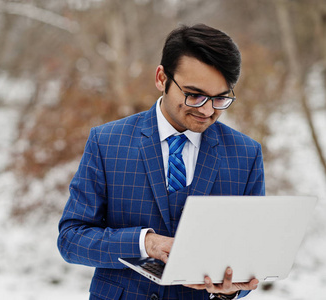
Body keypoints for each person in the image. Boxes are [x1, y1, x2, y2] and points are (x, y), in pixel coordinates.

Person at [57, 24, 264, 300]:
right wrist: (145, 243)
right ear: (161, 78)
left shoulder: (246, 155)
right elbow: (71, 240)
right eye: (194, 94)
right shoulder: (106, 142)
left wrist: (229, 292)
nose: (206, 110)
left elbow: (249, 254)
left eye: (219, 98)